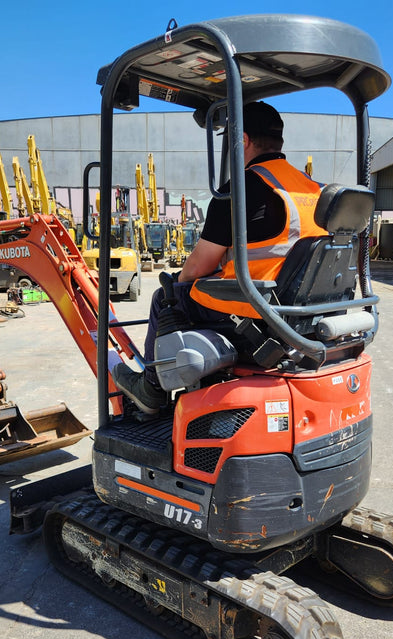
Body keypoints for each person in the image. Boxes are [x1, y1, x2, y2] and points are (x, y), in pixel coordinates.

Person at [112, 101, 327, 414]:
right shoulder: (312, 189)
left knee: (165, 296)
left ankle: (152, 389)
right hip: (301, 312)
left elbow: (200, 264)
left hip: (255, 312)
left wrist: (178, 283)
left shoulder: (241, 190)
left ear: (244, 141)